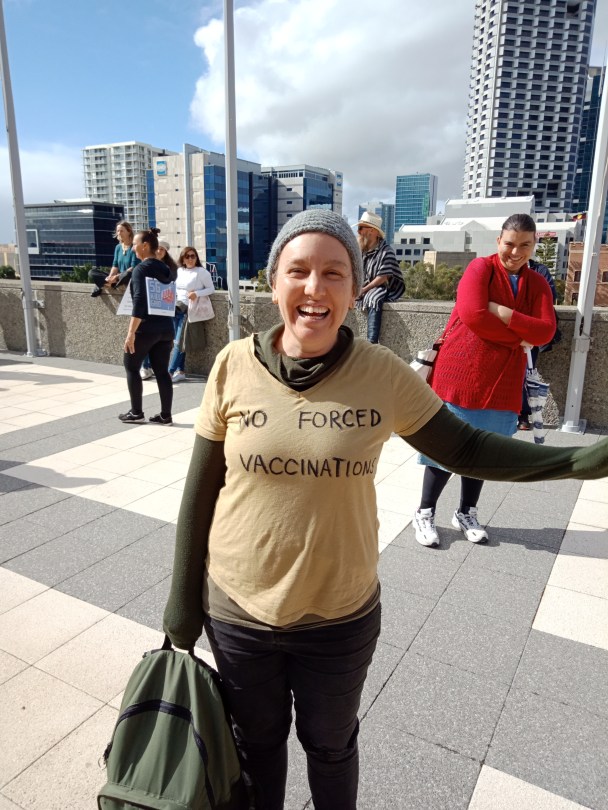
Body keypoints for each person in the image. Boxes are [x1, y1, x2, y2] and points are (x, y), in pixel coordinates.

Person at [162, 209, 608, 810]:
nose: (315, 288)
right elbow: (200, 492)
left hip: (338, 618)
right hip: (238, 611)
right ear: (273, 282)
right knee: (256, 746)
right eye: (298, 271)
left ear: (355, 287)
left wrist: (582, 460)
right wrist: (180, 607)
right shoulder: (232, 364)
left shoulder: (381, 373)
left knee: (330, 747)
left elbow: (467, 449)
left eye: (334, 273)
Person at [413, 214, 557, 548]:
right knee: (446, 447)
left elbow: (546, 330)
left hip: (503, 381)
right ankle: (425, 511)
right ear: (498, 242)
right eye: (510, 244)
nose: (516, 252)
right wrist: (519, 338)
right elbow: (474, 315)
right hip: (461, 372)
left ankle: (466, 511)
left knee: (483, 450)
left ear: (534, 245)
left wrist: (504, 313)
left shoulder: (537, 283)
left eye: (525, 245)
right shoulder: (480, 269)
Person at [119, 228, 175, 425]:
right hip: (166, 328)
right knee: (162, 372)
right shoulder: (166, 269)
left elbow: (139, 301)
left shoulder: (140, 270)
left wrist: (131, 333)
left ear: (144, 246)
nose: (133, 248)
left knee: (131, 367)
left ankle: (136, 412)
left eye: (135, 244)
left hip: (146, 329)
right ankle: (166, 415)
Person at [517, 258, 559, 431]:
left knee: (526, 373)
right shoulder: (498, 270)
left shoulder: (539, 270)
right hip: (506, 330)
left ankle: (523, 415)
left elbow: (550, 296)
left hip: (530, 332)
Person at [354, 211, 404, 343]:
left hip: (380, 287)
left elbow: (383, 277)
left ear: (372, 231)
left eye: (361, 228)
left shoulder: (386, 251)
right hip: (362, 285)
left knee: (374, 298)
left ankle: (372, 341)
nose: (358, 232)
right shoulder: (360, 250)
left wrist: (364, 290)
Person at [168, 246, 215, 384]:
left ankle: (169, 372)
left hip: (188, 310)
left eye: (192, 256)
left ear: (196, 258)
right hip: (175, 308)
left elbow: (211, 289)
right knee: (178, 342)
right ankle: (180, 371)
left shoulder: (201, 272)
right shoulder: (179, 271)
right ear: (182, 259)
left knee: (179, 342)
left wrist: (197, 293)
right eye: (187, 256)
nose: (190, 259)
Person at [140, 238, 178, 381]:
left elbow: (170, 282)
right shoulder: (146, 264)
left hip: (165, 305)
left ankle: (158, 367)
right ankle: (145, 366)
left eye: (162, 249)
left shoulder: (171, 267)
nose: (159, 251)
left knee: (162, 340)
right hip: (149, 306)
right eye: (158, 248)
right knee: (146, 337)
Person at [90, 220, 139, 298]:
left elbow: (133, 267)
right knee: (92, 272)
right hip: (118, 278)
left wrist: (116, 277)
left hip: (127, 277)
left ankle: (103, 284)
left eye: (122, 231)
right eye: (118, 231)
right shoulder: (118, 247)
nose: (119, 233)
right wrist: (110, 277)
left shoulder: (134, 247)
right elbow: (115, 266)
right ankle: (109, 283)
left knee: (127, 274)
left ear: (129, 231)